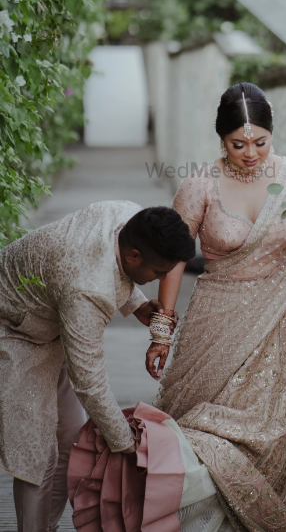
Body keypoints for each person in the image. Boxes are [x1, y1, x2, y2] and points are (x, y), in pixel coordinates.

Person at [145, 82, 286, 532]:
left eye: (261, 142)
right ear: (222, 138)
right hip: (217, 328)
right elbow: (175, 258)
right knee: (205, 435)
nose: (251, 153)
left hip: (284, 326)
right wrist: (162, 329)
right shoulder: (201, 182)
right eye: (238, 144)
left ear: (271, 135)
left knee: (285, 436)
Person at [0, 200, 195, 532]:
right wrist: (128, 447)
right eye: (158, 272)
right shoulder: (87, 292)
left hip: (54, 318)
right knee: (37, 451)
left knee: (68, 439)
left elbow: (108, 263)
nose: (160, 280)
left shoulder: (127, 215)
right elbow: (89, 383)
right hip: (14, 330)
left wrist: (136, 305)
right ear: (134, 256)